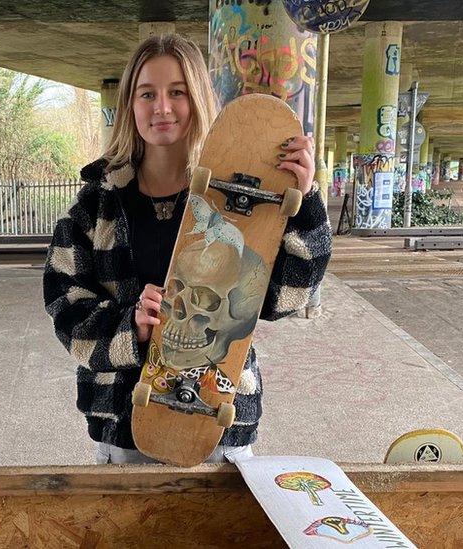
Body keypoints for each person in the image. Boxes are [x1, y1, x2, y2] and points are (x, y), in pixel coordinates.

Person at [43, 34, 332, 464]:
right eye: (148, 94)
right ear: (130, 104)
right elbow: (65, 304)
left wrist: (303, 201)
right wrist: (130, 327)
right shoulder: (96, 203)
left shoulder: (239, 197)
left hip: (219, 422)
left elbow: (284, 300)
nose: (162, 107)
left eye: (176, 92)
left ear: (196, 98)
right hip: (122, 422)